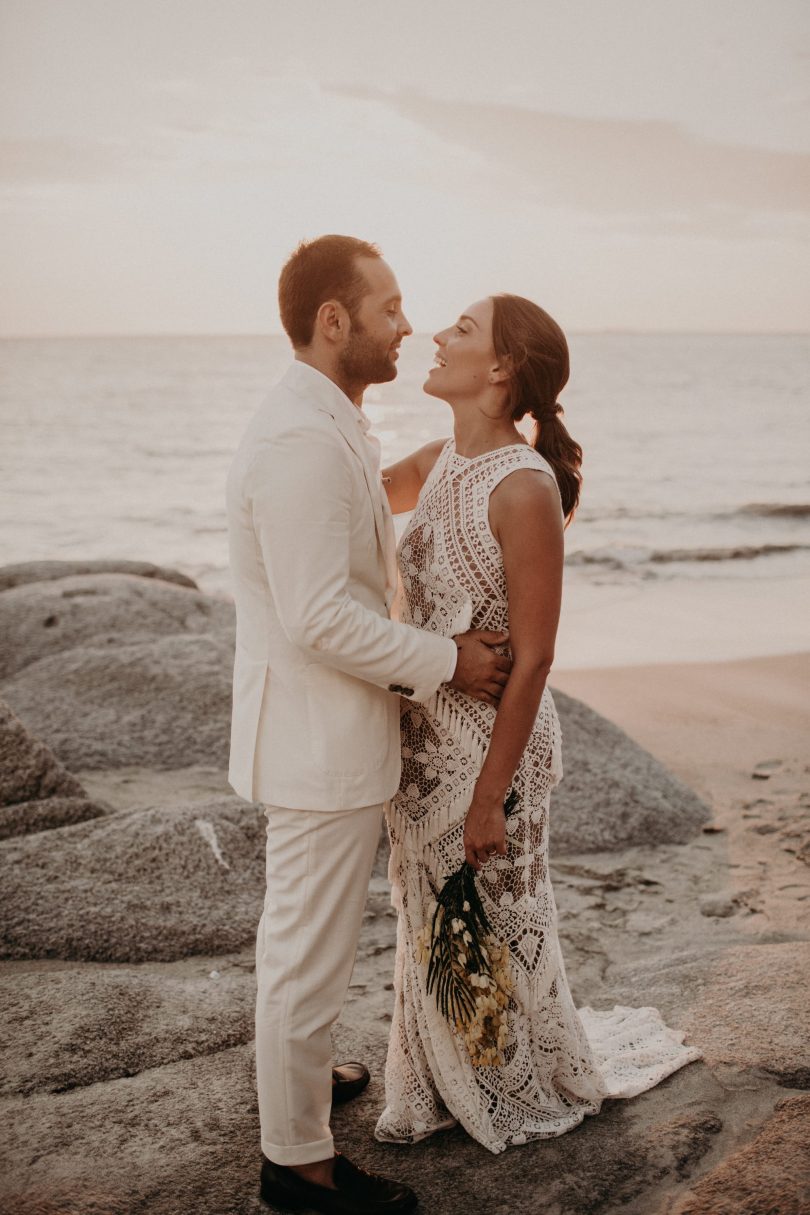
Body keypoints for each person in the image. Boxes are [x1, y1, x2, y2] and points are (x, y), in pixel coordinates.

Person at [375, 292, 701, 1153]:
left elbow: (536, 657)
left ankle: (507, 1083)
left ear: (501, 369)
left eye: (463, 330)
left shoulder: (524, 487)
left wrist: (490, 799)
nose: (438, 336)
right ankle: (450, 1078)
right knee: (431, 921)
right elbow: (360, 500)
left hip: (492, 750)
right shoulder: (442, 457)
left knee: (482, 926)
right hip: (424, 738)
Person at [225, 235, 511, 1214]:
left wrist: (425, 474)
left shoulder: (326, 414)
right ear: (332, 321)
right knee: (304, 951)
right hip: (315, 741)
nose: (407, 323)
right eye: (388, 307)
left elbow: (342, 528)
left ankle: (297, 1085)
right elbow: (316, 615)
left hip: (325, 731)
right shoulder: (301, 434)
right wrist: (451, 662)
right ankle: (295, 1167)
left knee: (310, 944)